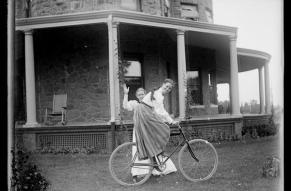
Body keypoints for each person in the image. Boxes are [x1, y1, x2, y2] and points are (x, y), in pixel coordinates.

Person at [133, 78, 178, 174]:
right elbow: (160, 111)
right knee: (164, 129)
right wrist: (171, 121)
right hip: (144, 113)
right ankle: (159, 152)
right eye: (166, 86)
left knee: (152, 136)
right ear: (163, 84)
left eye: (169, 89)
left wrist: (168, 120)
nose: (167, 89)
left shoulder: (159, 94)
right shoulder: (158, 95)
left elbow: (159, 111)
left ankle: (155, 160)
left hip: (145, 113)